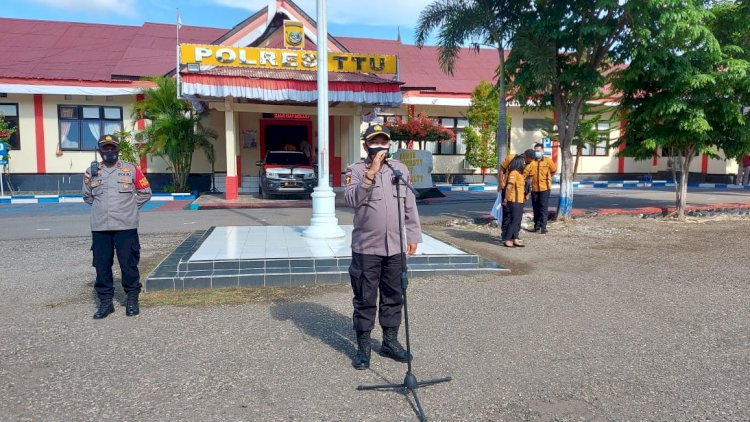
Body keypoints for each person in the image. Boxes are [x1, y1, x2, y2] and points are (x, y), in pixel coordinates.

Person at [344, 124, 422, 370]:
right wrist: (371, 173)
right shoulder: (355, 170)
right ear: (366, 145)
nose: (380, 146)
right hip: (366, 247)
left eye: (384, 141)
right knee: (365, 297)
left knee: (394, 295)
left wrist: (413, 235)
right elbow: (351, 199)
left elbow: (409, 205)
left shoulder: (400, 170)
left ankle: (389, 342)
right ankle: (363, 347)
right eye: (375, 142)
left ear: (389, 144)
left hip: (395, 247)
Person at [83, 134, 152, 319]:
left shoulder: (130, 169)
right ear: (100, 150)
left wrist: (130, 208)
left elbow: (145, 192)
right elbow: (87, 196)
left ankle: (131, 299)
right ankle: (106, 303)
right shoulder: (91, 172)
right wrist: (103, 209)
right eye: (105, 148)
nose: (109, 151)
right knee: (101, 265)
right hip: (100, 227)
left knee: (128, 264)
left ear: (118, 149)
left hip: (125, 226)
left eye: (112, 147)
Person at [498, 149, 535, 241]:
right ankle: (505, 235)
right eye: (527, 161)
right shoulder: (512, 158)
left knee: (517, 215)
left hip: (520, 191)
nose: (527, 163)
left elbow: (530, 179)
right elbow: (501, 170)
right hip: (508, 188)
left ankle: (515, 235)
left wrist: (528, 193)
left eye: (530, 162)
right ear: (525, 156)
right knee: (507, 213)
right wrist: (501, 183)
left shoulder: (532, 164)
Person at [525, 142, 557, 233]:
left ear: (542, 150)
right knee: (535, 207)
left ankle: (543, 227)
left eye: (538, 151)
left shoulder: (547, 161)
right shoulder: (532, 161)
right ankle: (536, 226)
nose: (536, 153)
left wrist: (548, 178)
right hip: (534, 188)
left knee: (543, 207)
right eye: (535, 151)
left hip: (545, 188)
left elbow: (553, 171)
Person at [501, 154, 529, 248]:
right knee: (514, 220)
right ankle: (507, 240)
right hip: (514, 200)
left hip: (520, 200)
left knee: (517, 221)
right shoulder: (514, 173)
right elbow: (509, 187)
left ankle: (515, 238)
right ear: (519, 163)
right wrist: (506, 198)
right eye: (523, 162)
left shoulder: (520, 174)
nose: (524, 164)